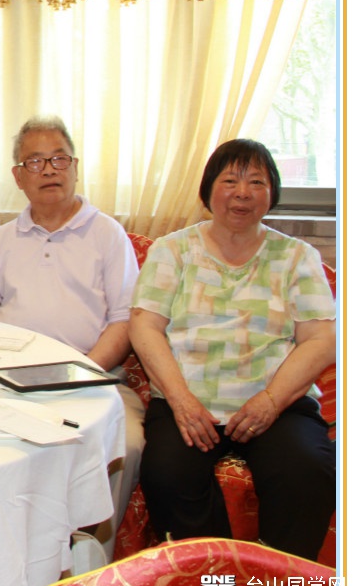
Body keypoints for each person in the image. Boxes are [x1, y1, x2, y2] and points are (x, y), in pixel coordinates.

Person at [130, 139, 335, 559]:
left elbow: (321, 338)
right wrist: (182, 401)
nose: (243, 192)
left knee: (306, 469)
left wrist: (270, 401)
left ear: (272, 193)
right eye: (230, 181)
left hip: (276, 401)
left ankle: (281, 579)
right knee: (166, 472)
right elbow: (145, 326)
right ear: (208, 190)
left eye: (256, 181)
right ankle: (215, 577)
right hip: (189, 401)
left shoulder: (297, 256)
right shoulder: (172, 250)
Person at [0, 116, 143, 555]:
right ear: (18, 176)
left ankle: (96, 557)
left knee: (130, 445)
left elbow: (125, 320)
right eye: (35, 161)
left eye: (58, 159)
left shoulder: (107, 234)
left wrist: (80, 372)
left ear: (75, 167)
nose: (48, 170)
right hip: (9, 381)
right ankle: (6, 551)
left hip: (94, 378)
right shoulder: (1, 240)